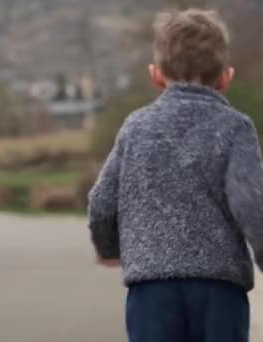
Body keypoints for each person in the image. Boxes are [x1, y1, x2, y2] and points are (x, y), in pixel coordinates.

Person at [88, 8, 263, 342]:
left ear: (155, 76)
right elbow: (253, 206)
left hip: (152, 292)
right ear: (226, 78)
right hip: (219, 290)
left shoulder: (135, 128)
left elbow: (102, 202)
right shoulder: (235, 128)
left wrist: (109, 248)